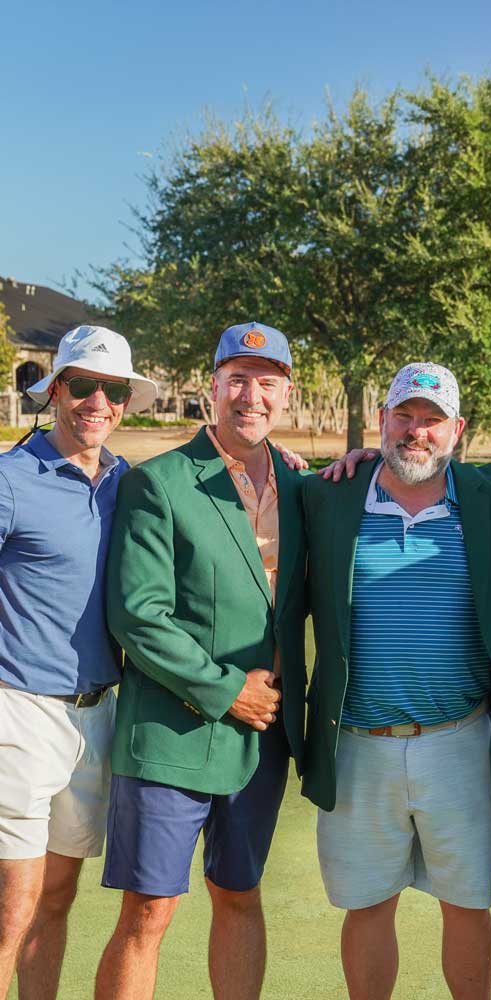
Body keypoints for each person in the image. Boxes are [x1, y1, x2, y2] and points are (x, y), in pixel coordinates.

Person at [301, 362, 491, 1000]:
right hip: (358, 741)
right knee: (367, 903)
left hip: (458, 738)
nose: (416, 431)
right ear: (381, 420)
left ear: (456, 430)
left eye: (432, 420)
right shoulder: (328, 494)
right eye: (404, 416)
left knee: (465, 904)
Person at [95, 321, 308, 1000]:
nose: (252, 394)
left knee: (239, 895)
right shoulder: (158, 482)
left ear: (287, 392)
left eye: (267, 380)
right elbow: (137, 614)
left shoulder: (304, 487)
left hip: (261, 740)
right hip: (171, 731)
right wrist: (225, 691)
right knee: (148, 913)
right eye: (238, 379)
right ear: (212, 387)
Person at [0, 326, 157, 1000]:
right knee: (13, 906)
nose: (98, 401)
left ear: (124, 401)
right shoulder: (10, 478)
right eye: (84, 385)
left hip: (97, 715)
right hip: (18, 709)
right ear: (56, 389)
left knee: (57, 899)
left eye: (113, 389)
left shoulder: (126, 482)